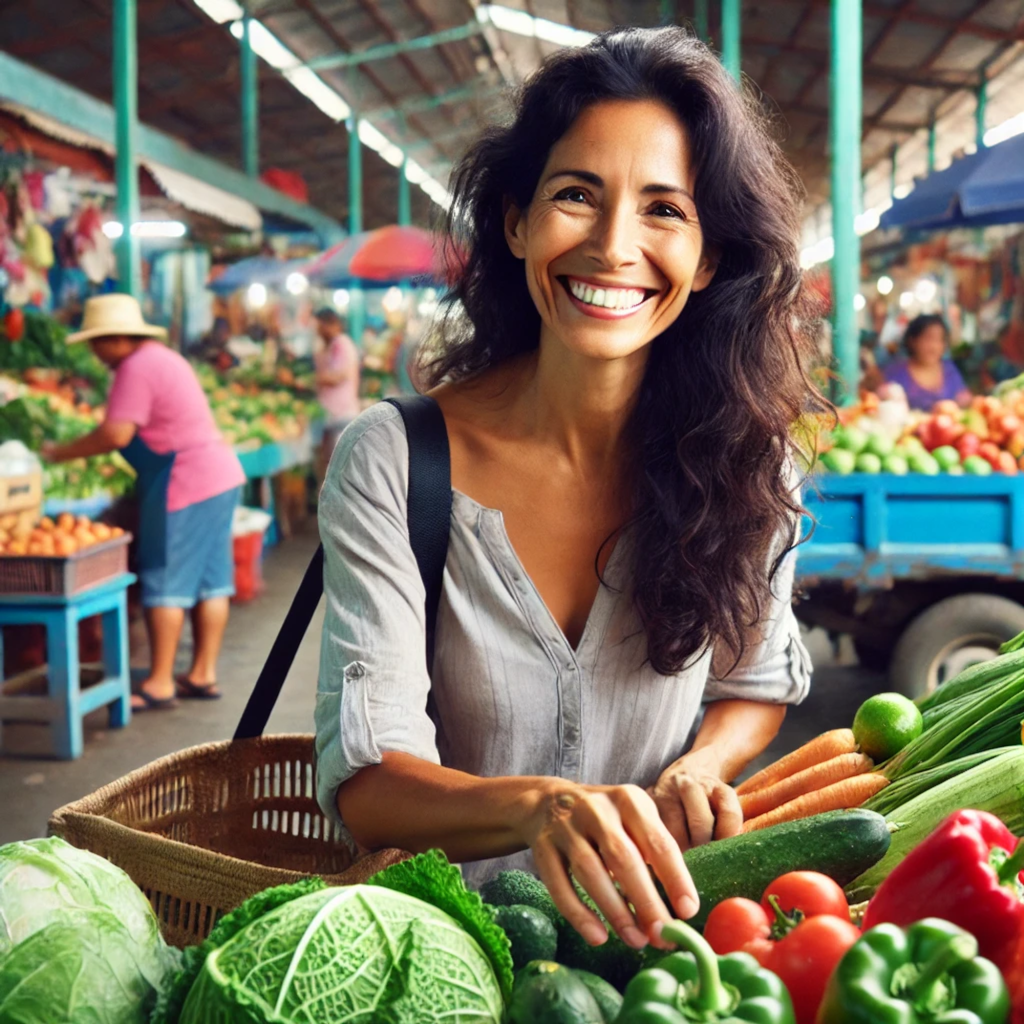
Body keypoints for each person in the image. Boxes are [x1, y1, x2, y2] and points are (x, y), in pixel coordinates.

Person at [315, 27, 823, 953]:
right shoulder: (395, 459)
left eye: (664, 209)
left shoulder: (751, 466)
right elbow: (367, 782)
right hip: (437, 957)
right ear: (516, 222)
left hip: (660, 964)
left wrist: (704, 765)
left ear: (707, 258)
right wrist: (540, 809)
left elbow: (755, 679)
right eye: (576, 195)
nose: (613, 245)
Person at [43, 294, 245, 710]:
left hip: (185, 481)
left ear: (116, 338)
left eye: (97, 342)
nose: (95, 353)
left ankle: (159, 682)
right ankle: (202, 673)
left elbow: (115, 434)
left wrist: (58, 452)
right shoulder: (164, 358)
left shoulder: (135, 367)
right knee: (211, 580)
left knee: (165, 579)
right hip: (219, 476)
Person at [884, 314, 971, 411]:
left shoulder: (950, 370)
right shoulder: (896, 372)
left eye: (939, 340)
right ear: (912, 340)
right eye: (928, 338)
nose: (934, 347)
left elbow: (963, 396)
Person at [313, 307, 360, 470]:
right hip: (330, 415)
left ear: (331, 324)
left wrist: (309, 380)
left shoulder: (342, 344)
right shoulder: (329, 346)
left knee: (337, 466)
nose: (317, 331)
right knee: (328, 462)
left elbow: (338, 377)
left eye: (320, 326)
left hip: (341, 415)